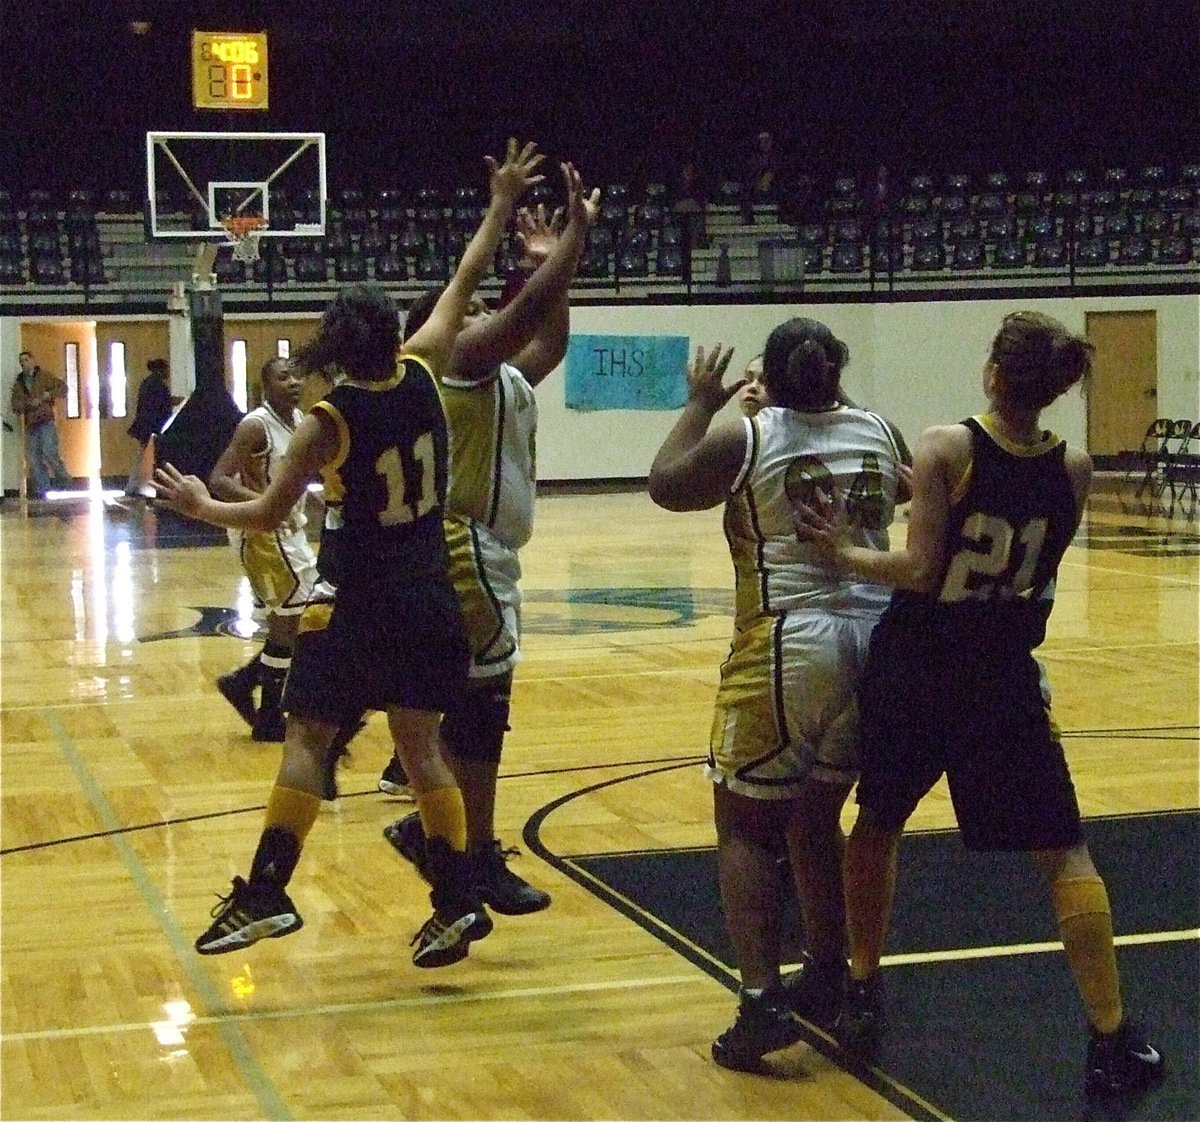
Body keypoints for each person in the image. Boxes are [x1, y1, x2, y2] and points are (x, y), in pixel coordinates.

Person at [152, 138, 548, 969]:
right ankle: (457, 898)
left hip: (361, 598)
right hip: (432, 597)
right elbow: (468, 276)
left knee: (306, 737)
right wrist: (502, 203)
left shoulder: (328, 422)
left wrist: (196, 503)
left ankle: (265, 895)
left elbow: (262, 513)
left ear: (334, 341)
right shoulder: (425, 370)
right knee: (421, 746)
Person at [792, 311, 1165, 1096]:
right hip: (1002, 671)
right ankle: (1110, 1033)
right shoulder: (1076, 468)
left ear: (994, 370)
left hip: (921, 666)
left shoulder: (944, 447)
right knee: (1064, 850)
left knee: (878, 823)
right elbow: (993, 517)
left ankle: (862, 985)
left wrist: (843, 552)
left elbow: (922, 569)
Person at [647, 319, 910, 1074]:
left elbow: (667, 484)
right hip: (875, 635)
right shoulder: (879, 429)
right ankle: (832, 970)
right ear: (836, 371)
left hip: (790, 639)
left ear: (775, 381)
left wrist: (700, 403)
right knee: (818, 814)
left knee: (745, 825)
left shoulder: (750, 435)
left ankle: (761, 1002)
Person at [380, 163, 600, 918]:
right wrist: (569, 244)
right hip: (463, 546)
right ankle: (458, 845)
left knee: (474, 709)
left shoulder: (499, 374)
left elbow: (550, 336)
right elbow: (525, 314)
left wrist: (550, 270)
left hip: (486, 552)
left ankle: (451, 836)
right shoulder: (457, 363)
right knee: (480, 711)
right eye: (467, 312)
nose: (478, 317)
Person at [209, 357, 335, 745]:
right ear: (265, 386)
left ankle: (247, 687)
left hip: (286, 531)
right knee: (303, 613)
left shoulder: (299, 420)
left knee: (293, 620)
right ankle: (266, 710)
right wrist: (266, 504)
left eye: (297, 375)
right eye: (283, 377)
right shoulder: (255, 426)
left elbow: (295, 482)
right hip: (261, 533)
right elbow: (218, 479)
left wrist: (320, 503)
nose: (294, 382)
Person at [10, 350, 71, 499]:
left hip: (45, 420)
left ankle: (63, 479)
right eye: (21, 361)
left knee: (49, 451)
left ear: (32, 361)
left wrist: (47, 395)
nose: (23, 363)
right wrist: (26, 404)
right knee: (33, 457)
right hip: (31, 423)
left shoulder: (44, 376)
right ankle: (43, 487)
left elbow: (63, 389)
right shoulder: (19, 383)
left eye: (26, 360)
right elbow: (15, 404)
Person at [125, 357, 175, 497]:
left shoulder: (148, 383)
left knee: (141, 455)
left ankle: (133, 485)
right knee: (147, 457)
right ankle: (135, 485)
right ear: (160, 369)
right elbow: (159, 406)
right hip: (152, 426)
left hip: (146, 425)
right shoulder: (157, 385)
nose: (168, 372)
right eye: (166, 369)